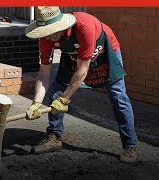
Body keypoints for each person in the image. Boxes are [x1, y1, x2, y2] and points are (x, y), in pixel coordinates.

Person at [24, 6, 138, 163]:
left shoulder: (84, 27)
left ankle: (130, 146)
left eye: (50, 32)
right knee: (57, 90)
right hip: (74, 55)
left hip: (104, 50)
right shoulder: (46, 38)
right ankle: (54, 138)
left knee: (118, 96)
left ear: (60, 26)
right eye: (45, 33)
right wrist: (36, 103)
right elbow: (44, 72)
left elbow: (82, 71)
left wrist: (65, 99)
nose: (47, 38)